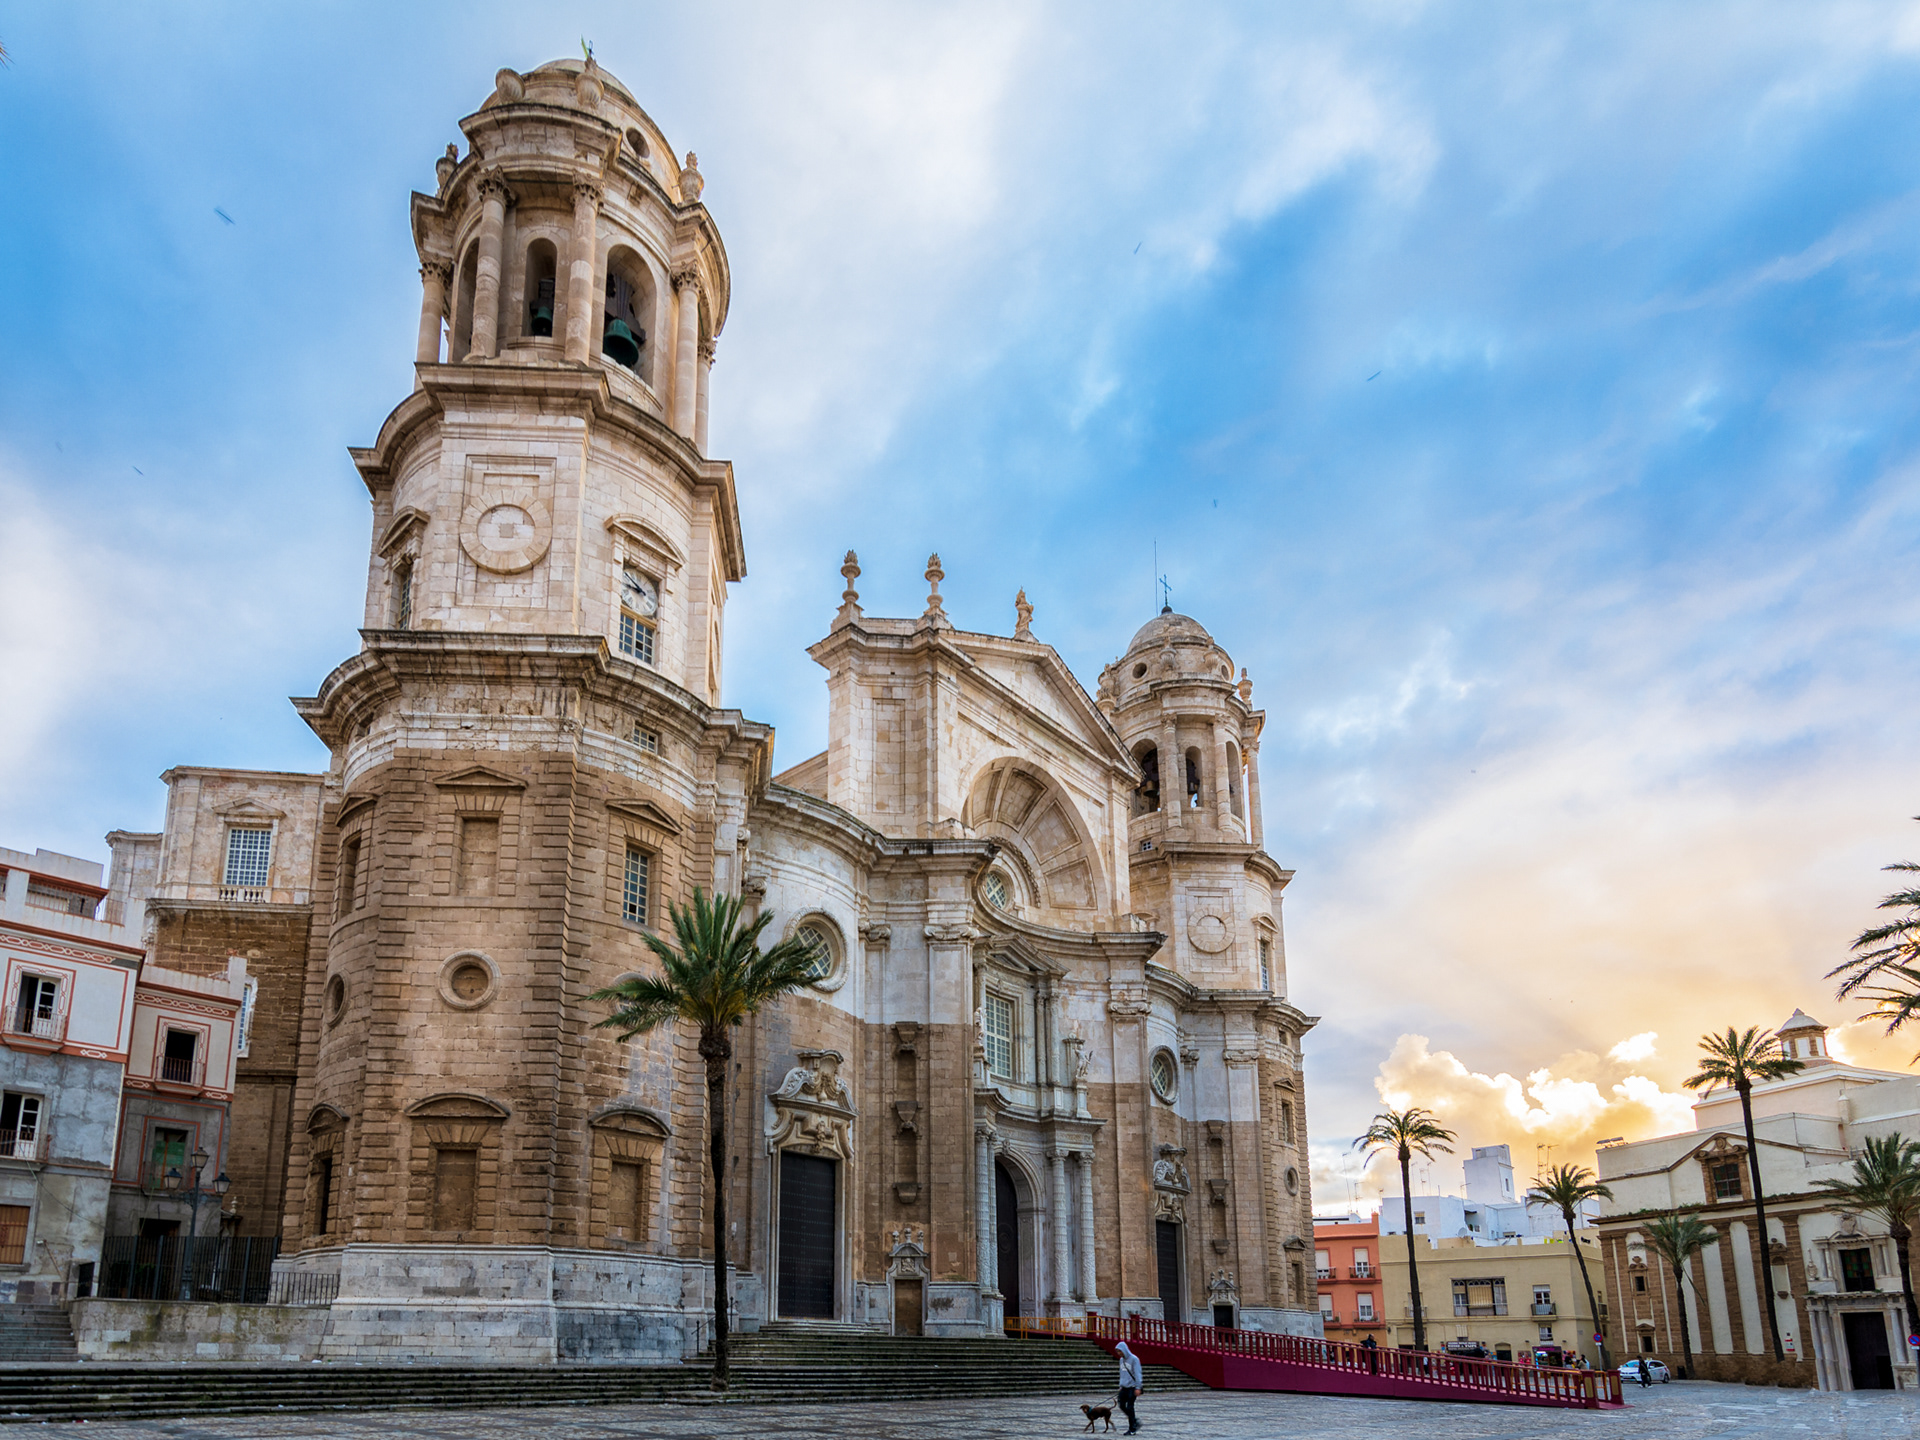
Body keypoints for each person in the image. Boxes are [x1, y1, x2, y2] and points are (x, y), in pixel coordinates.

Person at [1115, 1340, 1143, 1434]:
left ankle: (1132, 1429)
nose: (1119, 1353)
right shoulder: (1121, 1360)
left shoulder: (1134, 1359)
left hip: (1133, 1386)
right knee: (1121, 1405)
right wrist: (1120, 1385)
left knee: (1130, 1407)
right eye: (1118, 1352)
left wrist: (1138, 1387)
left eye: (1120, 1351)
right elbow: (1121, 1374)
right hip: (1124, 1387)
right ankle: (1134, 1420)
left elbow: (1137, 1373)